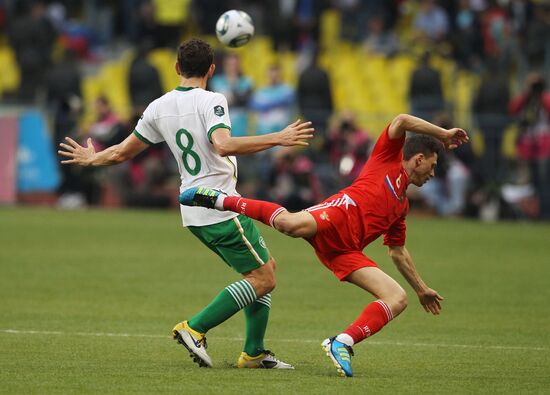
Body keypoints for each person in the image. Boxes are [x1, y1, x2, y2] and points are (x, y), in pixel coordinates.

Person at [58, 38, 314, 369]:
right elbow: (222, 146)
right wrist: (277, 137)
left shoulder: (157, 106)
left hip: (193, 210)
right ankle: (195, 328)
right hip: (218, 203)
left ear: (176, 68)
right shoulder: (212, 100)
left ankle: (253, 352)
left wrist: (92, 159)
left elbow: (121, 152)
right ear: (212, 69)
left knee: (262, 269)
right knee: (264, 278)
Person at [180, 113, 469, 377]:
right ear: (418, 159)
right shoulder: (387, 160)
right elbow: (402, 120)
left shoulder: (401, 206)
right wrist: (443, 134)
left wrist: (421, 288)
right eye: (431, 166)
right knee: (289, 225)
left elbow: (397, 251)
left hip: (345, 252)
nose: (432, 174)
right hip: (336, 215)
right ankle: (219, 199)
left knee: (398, 298)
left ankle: (341, 342)